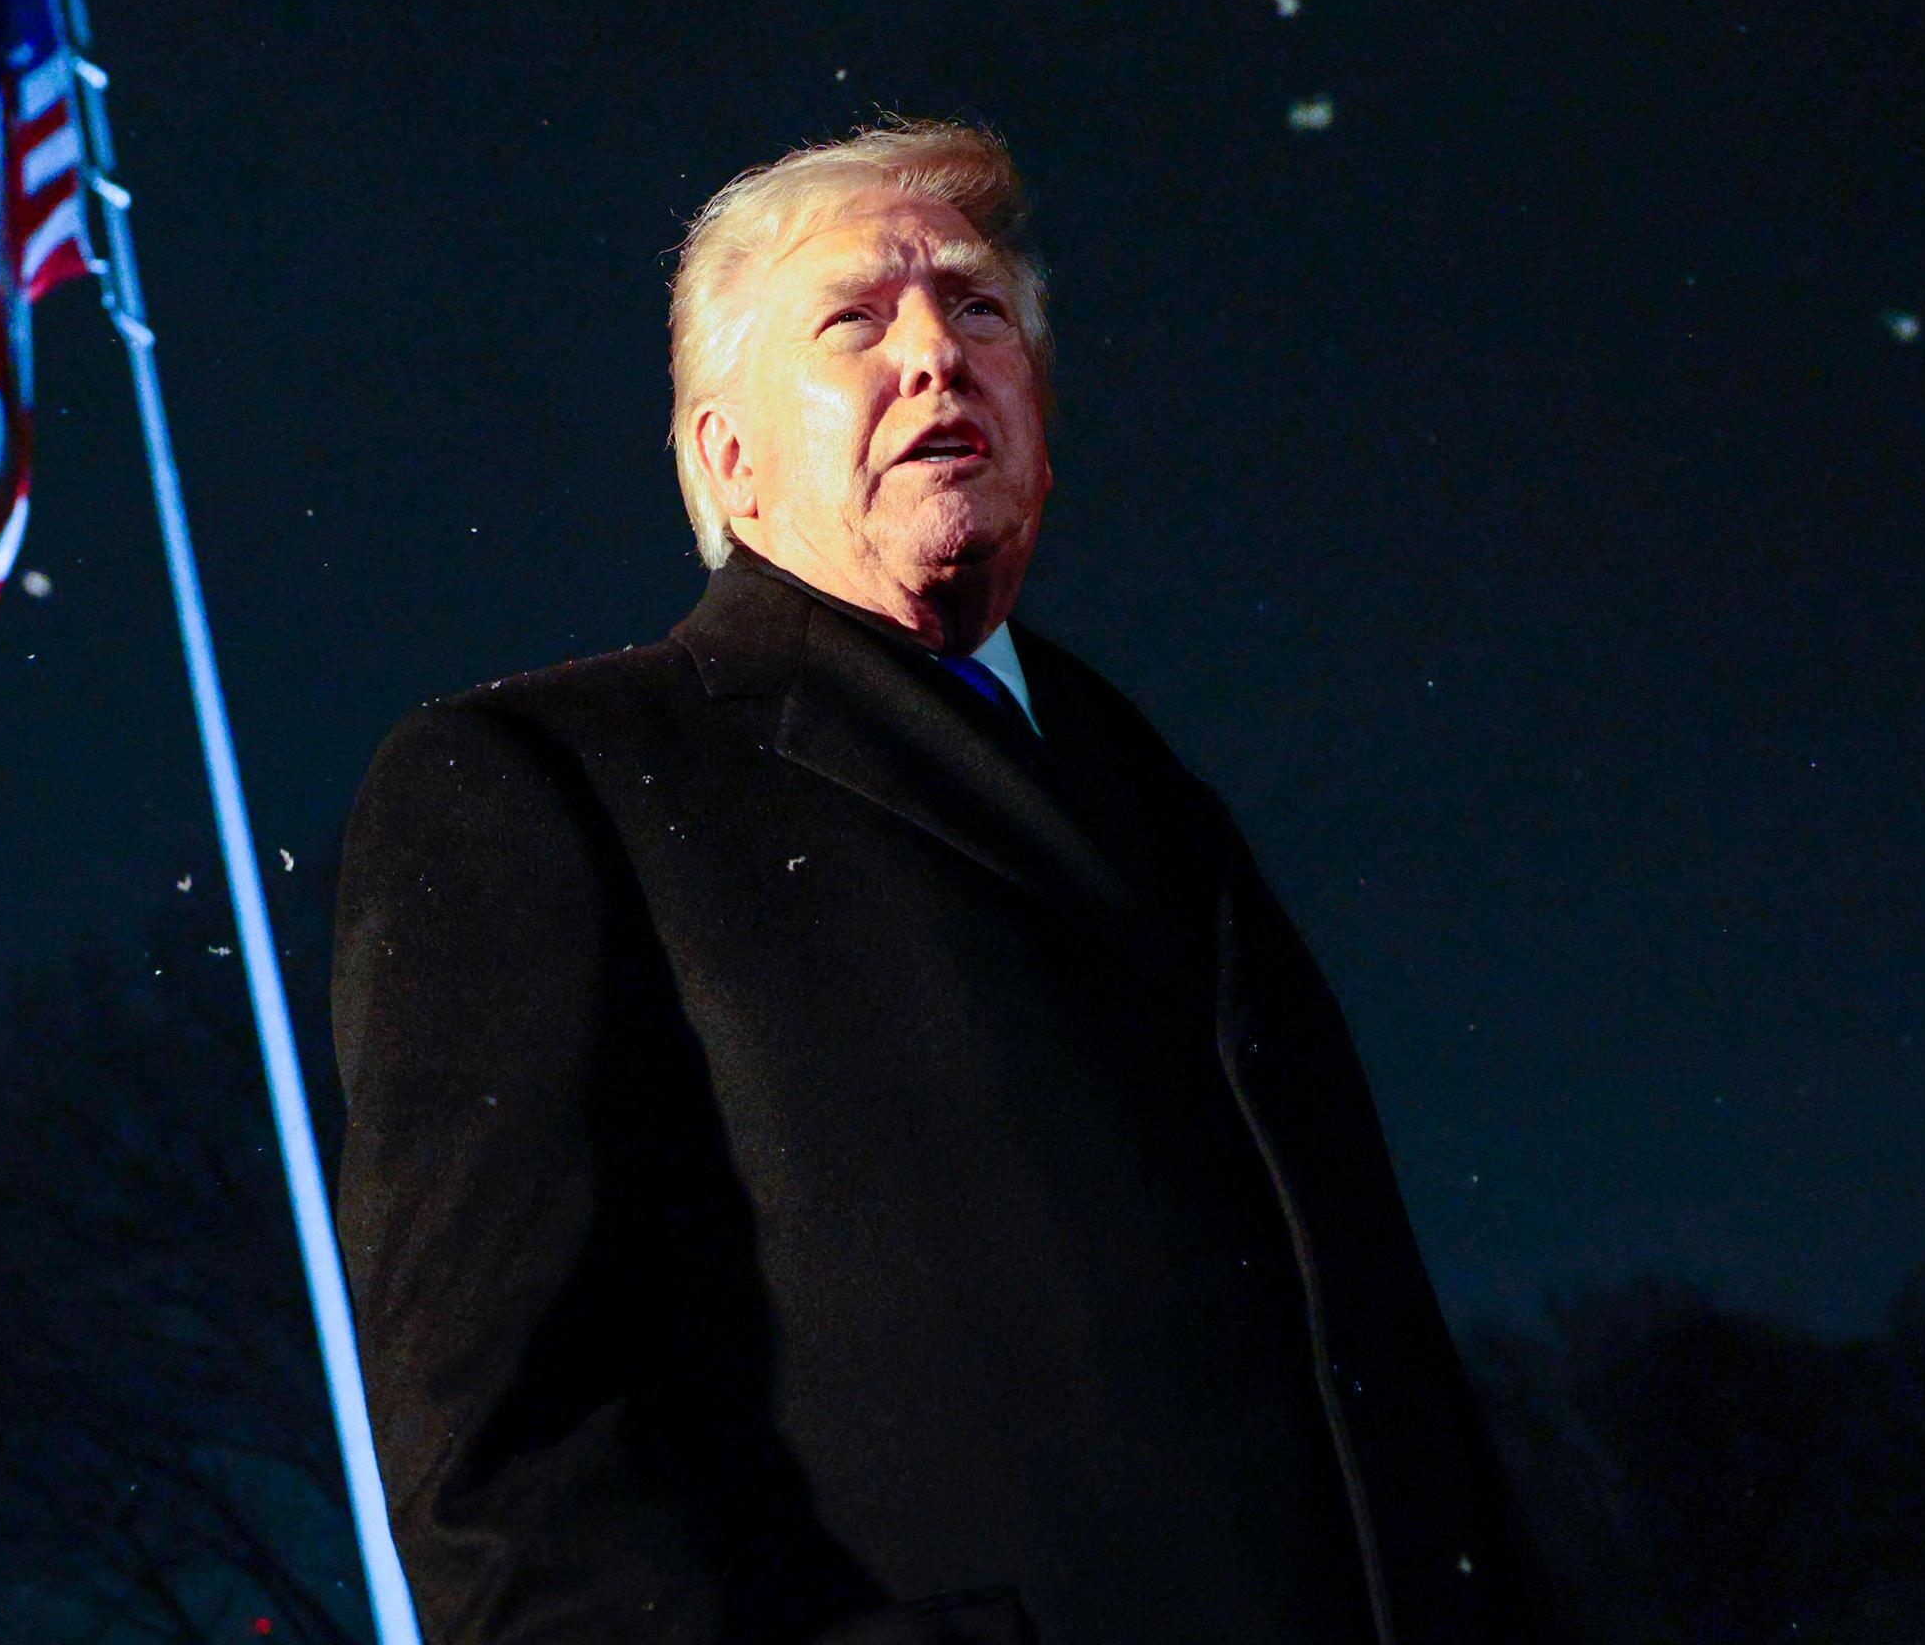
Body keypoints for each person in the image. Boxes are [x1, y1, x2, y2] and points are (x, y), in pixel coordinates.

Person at [329, 121, 1528, 1644]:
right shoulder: (539, 783)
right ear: (728, 458)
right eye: (854, 320)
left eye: (978, 310)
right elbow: (504, 1461)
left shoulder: (1168, 801)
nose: (936, 355)